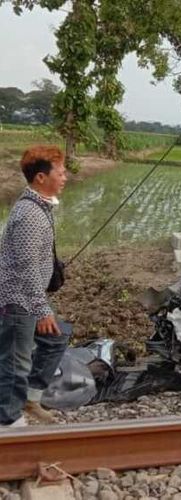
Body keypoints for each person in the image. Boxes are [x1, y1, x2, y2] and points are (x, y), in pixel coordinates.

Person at [0, 145, 70, 427]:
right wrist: (42, 310)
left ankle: (29, 398)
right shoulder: (30, 213)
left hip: (29, 297)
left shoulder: (40, 206)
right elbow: (26, 267)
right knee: (15, 362)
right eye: (61, 172)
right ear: (41, 177)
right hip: (18, 300)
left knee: (57, 336)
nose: (65, 178)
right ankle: (8, 419)